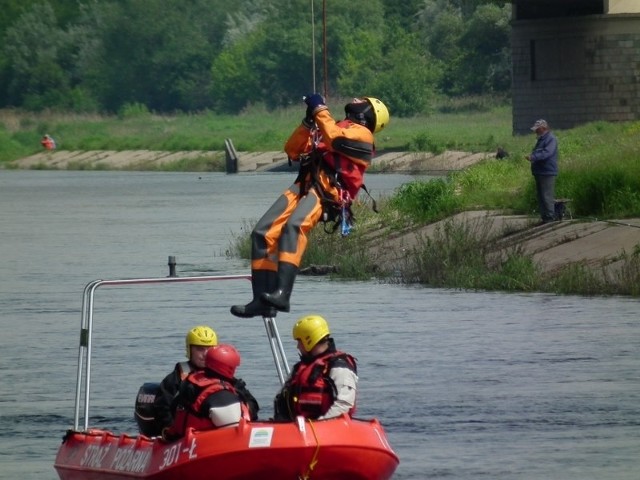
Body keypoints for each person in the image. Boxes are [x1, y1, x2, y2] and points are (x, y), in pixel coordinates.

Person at [230, 95, 389, 318]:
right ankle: (261, 300)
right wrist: (307, 123)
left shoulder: (363, 134)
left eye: (361, 100)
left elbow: (334, 140)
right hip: (306, 185)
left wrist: (320, 109)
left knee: (294, 226)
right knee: (262, 232)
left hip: (329, 192)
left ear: (369, 114)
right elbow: (293, 150)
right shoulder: (331, 127)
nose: (356, 99)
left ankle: (282, 295)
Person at [153, 326, 258, 433]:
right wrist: (172, 433)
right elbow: (162, 408)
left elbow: (252, 403)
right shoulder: (176, 378)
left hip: (222, 432)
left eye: (209, 349)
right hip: (188, 434)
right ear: (190, 350)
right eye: (200, 349)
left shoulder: (224, 376)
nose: (205, 354)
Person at [274, 314, 358, 421]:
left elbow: (344, 404)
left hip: (326, 429)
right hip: (299, 429)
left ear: (309, 340)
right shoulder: (299, 368)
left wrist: (319, 424)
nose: (298, 346)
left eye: (299, 342)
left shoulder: (339, 367)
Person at [162, 344, 254, 441]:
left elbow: (173, 407)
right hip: (204, 443)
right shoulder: (221, 395)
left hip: (180, 437)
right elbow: (235, 430)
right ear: (229, 368)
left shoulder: (192, 379)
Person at [526, 119, 559, 224]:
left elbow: (547, 153)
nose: (535, 131)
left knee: (546, 195)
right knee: (541, 196)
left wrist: (533, 157)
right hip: (539, 172)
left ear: (543, 128)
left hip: (547, 172)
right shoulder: (540, 140)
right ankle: (544, 217)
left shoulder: (551, 139)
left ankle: (550, 217)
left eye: (537, 129)